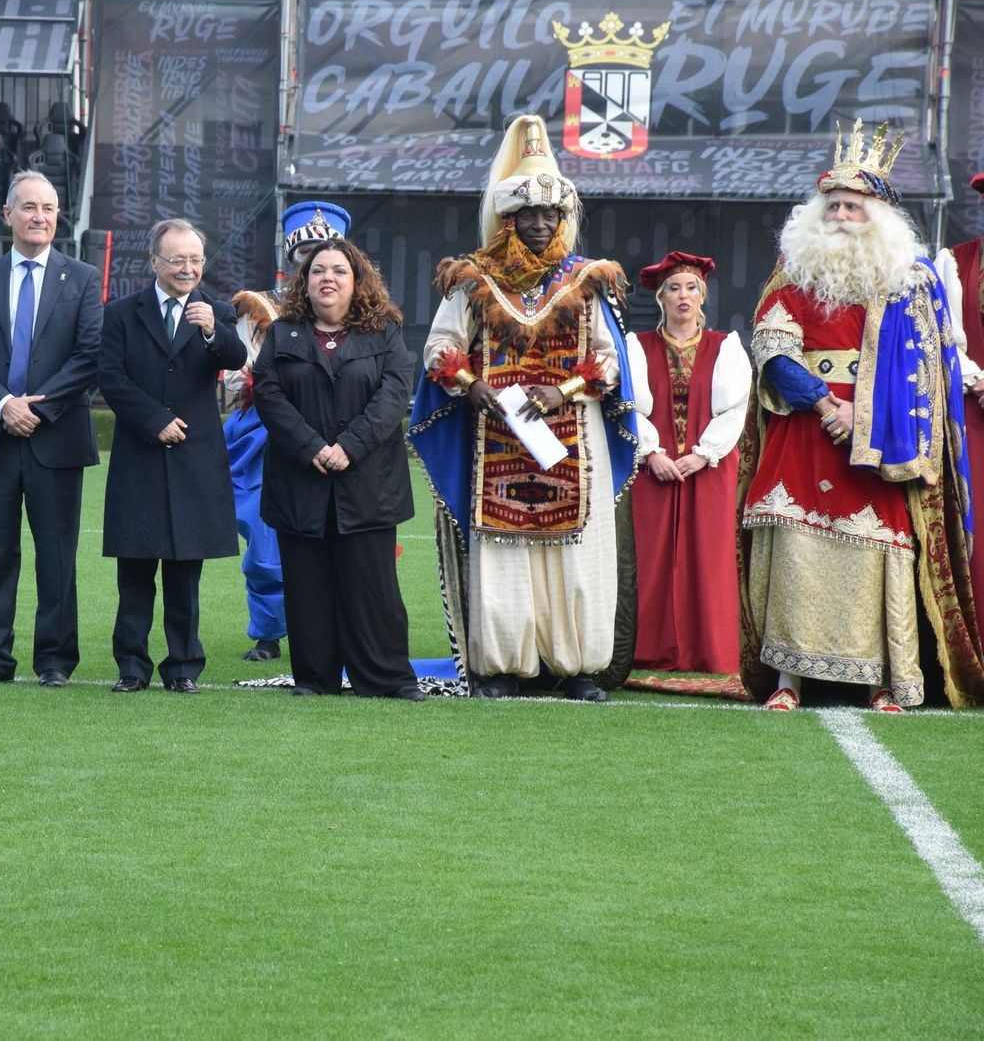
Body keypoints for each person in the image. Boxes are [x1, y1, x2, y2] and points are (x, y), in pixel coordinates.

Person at [739, 119, 984, 712]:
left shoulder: (911, 279)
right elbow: (773, 349)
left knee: (877, 558)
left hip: (883, 443)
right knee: (797, 553)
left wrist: (867, 415)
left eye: (853, 207)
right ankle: (788, 682)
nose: (841, 216)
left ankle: (884, 683)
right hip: (805, 430)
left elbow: (928, 369)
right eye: (833, 206)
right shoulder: (793, 272)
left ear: (878, 216)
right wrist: (826, 403)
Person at [410, 114, 641, 703]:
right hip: (496, 440)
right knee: (502, 553)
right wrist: (471, 385)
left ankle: (578, 668)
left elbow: (609, 359)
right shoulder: (474, 279)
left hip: (576, 439)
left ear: (563, 218)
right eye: (528, 215)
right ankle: (503, 667)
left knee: (578, 555)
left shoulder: (587, 279)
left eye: (549, 214)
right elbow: (441, 347)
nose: (540, 224)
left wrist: (564, 391)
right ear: (508, 219)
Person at [251, 237, 423, 701]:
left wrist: (349, 446)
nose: (328, 278)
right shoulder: (282, 333)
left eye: (339, 270)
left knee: (374, 588)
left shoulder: (385, 331)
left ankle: (388, 679)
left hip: (369, 483)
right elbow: (268, 394)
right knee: (306, 586)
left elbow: (394, 394)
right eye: (318, 270)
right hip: (299, 481)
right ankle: (314, 679)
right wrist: (311, 446)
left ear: (357, 280)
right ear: (304, 282)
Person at [0, 169, 103, 687]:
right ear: (8, 214)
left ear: (59, 217)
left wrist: (37, 408)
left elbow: (89, 356)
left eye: (49, 208)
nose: (40, 217)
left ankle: (55, 660)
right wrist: (4, 405)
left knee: (56, 556)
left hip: (56, 438)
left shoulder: (82, 278)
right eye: (30, 207)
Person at [99, 219, 245, 694]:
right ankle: (131, 667)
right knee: (135, 573)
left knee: (185, 574)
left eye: (195, 260)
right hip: (139, 457)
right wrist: (154, 419)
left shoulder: (216, 311)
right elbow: (111, 378)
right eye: (177, 259)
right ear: (154, 262)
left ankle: (183, 666)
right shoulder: (121, 313)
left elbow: (235, 358)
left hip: (194, 460)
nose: (187, 268)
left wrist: (212, 332)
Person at [223, 200, 351, 663]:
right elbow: (234, 379)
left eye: (326, 256)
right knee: (264, 544)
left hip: (337, 439)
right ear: (293, 258)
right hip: (264, 438)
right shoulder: (256, 310)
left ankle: (336, 630)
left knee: (341, 539)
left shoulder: (362, 315)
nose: (315, 266)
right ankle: (269, 633)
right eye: (306, 256)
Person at [631, 252, 751, 676]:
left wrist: (703, 454)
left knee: (709, 555)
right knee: (649, 554)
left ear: (702, 297)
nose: (684, 295)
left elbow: (735, 408)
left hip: (710, 467)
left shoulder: (725, 347)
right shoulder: (637, 347)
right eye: (675, 288)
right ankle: (646, 648)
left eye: (692, 288)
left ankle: (708, 651)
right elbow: (629, 407)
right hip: (652, 467)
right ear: (661, 298)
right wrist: (652, 453)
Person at [931, 173, 984, 654]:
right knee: (977, 524)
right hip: (974, 409)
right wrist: (977, 380)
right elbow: (946, 335)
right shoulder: (954, 262)